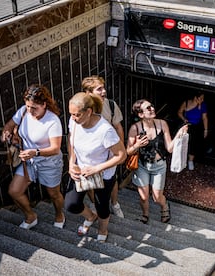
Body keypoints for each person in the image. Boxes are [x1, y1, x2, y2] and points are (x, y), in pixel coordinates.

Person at [1, 84, 64, 229]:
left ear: (44, 104)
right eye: (28, 106)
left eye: (34, 107)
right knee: (14, 191)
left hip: (49, 162)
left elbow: (55, 149)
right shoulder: (24, 112)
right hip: (28, 161)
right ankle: (30, 216)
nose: (30, 110)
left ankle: (59, 214)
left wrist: (35, 152)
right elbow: (9, 125)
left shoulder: (52, 121)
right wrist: (7, 134)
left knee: (54, 194)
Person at [64, 92, 126, 242]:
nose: (73, 118)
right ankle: (91, 216)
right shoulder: (74, 122)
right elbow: (71, 143)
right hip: (81, 170)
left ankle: (102, 229)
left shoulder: (105, 131)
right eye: (71, 114)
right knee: (71, 204)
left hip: (103, 175)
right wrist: (71, 163)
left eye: (77, 115)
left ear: (89, 111)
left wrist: (97, 168)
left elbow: (122, 156)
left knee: (102, 205)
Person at [127, 99, 188, 224]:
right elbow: (128, 151)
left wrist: (179, 134)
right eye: (148, 108)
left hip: (159, 166)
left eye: (152, 106)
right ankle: (145, 215)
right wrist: (137, 145)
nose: (152, 109)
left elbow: (170, 149)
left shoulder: (162, 124)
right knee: (144, 197)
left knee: (157, 197)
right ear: (141, 114)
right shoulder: (135, 128)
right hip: (142, 166)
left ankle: (165, 206)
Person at [81, 75, 125, 218]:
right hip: (90, 153)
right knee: (89, 180)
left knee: (111, 181)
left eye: (103, 88)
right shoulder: (82, 108)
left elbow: (118, 127)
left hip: (108, 154)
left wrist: (121, 149)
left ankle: (115, 203)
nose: (104, 91)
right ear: (88, 93)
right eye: (99, 89)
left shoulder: (110, 105)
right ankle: (96, 204)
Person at [177, 92, 208, 170]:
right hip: (186, 126)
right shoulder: (187, 103)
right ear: (195, 98)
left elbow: (204, 118)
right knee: (183, 142)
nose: (202, 100)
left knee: (194, 144)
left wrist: (206, 130)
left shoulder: (203, 105)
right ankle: (181, 160)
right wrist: (184, 119)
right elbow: (179, 112)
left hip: (196, 127)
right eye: (201, 98)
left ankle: (190, 161)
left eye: (203, 98)